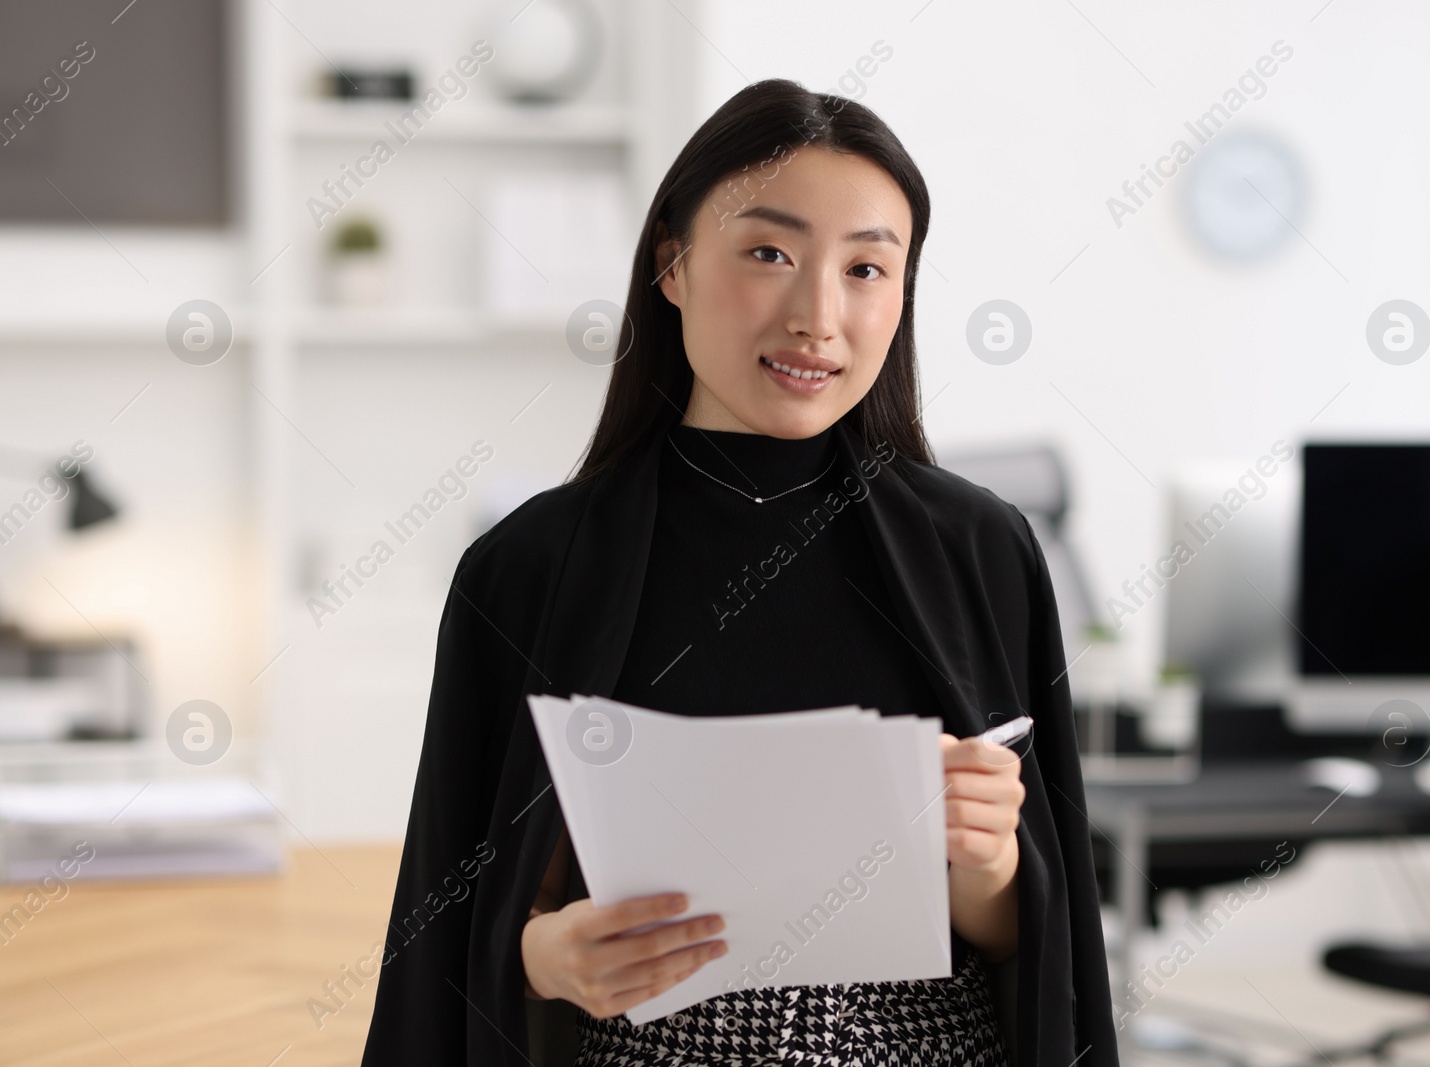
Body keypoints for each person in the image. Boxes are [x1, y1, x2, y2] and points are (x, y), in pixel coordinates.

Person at [360, 78, 1117, 1067]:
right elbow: (464, 915)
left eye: (865, 269)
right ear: (671, 262)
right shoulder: (526, 569)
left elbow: (1033, 949)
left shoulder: (982, 548)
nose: (818, 315)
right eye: (769, 253)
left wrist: (988, 858)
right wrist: (550, 954)